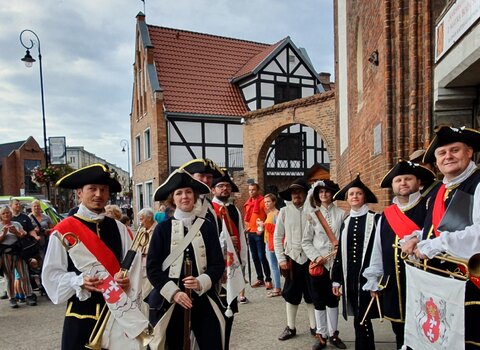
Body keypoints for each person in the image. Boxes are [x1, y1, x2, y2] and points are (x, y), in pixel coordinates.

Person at [41, 164, 149, 350]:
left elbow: (134, 268)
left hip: (119, 317)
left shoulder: (120, 229)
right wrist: (79, 281)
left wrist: (126, 280)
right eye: (92, 189)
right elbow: (51, 277)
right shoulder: (63, 231)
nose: (99, 194)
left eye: (104, 190)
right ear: (79, 193)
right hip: (82, 318)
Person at [401, 125, 480, 348]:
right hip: (438, 288)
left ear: (469, 152)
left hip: (468, 288)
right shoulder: (438, 190)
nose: (448, 156)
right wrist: (417, 238)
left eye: (455, 150)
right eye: (442, 153)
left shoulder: (477, 183)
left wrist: (434, 246)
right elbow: (434, 228)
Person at [147, 169, 225, 350]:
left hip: (202, 296)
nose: (185, 197)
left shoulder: (207, 227)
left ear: (195, 196)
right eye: (179, 193)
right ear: (172, 199)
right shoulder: (162, 229)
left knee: (212, 341)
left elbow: (217, 264)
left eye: (189, 192)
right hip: (172, 300)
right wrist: (174, 293)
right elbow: (152, 268)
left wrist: (200, 282)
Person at [362, 160, 435, 349]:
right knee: (400, 332)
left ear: (418, 182)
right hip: (394, 285)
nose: (402, 183)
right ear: (392, 186)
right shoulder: (385, 215)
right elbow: (377, 250)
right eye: (398, 180)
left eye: (408, 179)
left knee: (428, 331)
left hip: (425, 285)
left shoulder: (429, 207)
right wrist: (374, 279)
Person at [331, 174, 381, 350]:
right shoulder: (345, 221)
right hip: (350, 276)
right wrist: (336, 279)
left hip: (368, 277)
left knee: (363, 317)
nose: (354, 196)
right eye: (351, 194)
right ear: (347, 198)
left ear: (364, 196)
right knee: (358, 318)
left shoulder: (375, 219)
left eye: (358, 193)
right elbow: (340, 254)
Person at [302, 180, 347, 349]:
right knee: (318, 300)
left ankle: (333, 334)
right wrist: (315, 257)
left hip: (335, 264)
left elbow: (344, 240)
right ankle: (321, 334)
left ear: (332, 194)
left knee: (333, 299)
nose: (324, 195)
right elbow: (305, 241)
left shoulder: (342, 214)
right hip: (319, 265)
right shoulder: (312, 215)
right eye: (320, 192)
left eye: (327, 192)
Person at [274, 178, 317, 341]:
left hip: (310, 259)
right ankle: (290, 327)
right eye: (293, 192)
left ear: (306, 194)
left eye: (299, 191)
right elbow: (277, 237)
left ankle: (315, 327)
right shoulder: (284, 212)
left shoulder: (313, 211)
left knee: (311, 294)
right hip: (291, 258)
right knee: (291, 294)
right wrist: (281, 259)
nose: (296, 195)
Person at [211, 170, 248, 349]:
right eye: (220, 186)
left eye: (227, 186)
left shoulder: (234, 210)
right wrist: (225, 242)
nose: (224, 189)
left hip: (232, 265)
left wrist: (242, 263)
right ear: (213, 190)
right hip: (216, 266)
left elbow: (241, 236)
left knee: (230, 312)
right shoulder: (209, 210)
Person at [0, 206, 33, 308]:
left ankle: (29, 295)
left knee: (24, 275)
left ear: (11, 214)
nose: (6, 215)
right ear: (0, 216)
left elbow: (24, 234)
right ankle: (12, 298)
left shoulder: (17, 224)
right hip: (6, 254)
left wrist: (17, 233)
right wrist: (4, 234)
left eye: (8, 213)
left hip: (19, 253)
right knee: (9, 277)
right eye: (4, 213)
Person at [244, 183, 272, 289]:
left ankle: (268, 279)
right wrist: (246, 227)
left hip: (259, 233)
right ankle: (260, 278)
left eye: (253, 190)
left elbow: (269, 214)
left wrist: (262, 228)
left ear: (258, 190)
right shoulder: (248, 203)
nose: (251, 192)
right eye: (250, 190)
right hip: (250, 233)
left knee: (261, 256)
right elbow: (247, 218)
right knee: (255, 257)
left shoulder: (262, 201)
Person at [262, 193, 282, 298]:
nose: (266, 204)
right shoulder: (269, 213)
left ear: (274, 202)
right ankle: (276, 286)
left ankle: (277, 288)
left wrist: (264, 225)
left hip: (273, 243)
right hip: (267, 241)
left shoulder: (276, 214)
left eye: (268, 201)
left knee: (274, 266)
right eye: (265, 202)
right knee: (272, 265)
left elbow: (278, 230)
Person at [137, 207, 157, 299]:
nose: (140, 222)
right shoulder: (141, 231)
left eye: (141, 219)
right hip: (141, 265)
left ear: (149, 218)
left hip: (153, 265)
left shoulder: (158, 229)